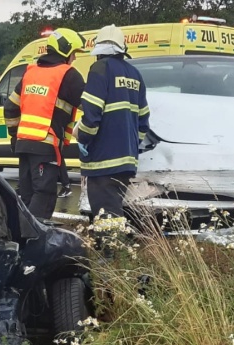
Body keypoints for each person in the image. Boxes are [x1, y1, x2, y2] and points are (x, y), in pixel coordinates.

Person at [4, 28, 86, 220]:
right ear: (66, 51)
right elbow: (91, 105)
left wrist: (15, 136)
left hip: (23, 145)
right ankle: (35, 241)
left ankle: (19, 239)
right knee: (44, 195)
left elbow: (10, 108)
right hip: (45, 145)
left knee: (27, 195)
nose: (74, 58)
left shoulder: (30, 72)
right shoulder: (68, 75)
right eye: (73, 53)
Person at [75, 24, 150, 221]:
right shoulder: (135, 75)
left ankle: (110, 250)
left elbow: (91, 115)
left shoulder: (100, 69)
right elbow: (143, 123)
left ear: (99, 51)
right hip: (126, 161)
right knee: (113, 209)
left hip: (103, 160)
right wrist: (132, 146)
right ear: (122, 49)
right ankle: (113, 249)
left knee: (106, 214)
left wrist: (82, 138)